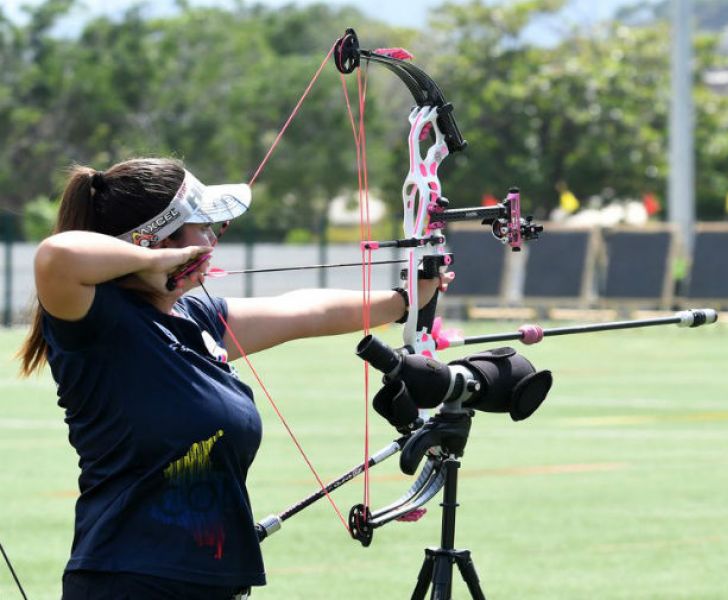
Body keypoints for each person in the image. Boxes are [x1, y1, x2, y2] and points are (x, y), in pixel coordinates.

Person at [15, 158, 445, 599]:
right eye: (201, 226)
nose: (210, 239)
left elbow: (302, 311)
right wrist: (161, 259)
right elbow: (56, 256)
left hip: (209, 583)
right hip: (128, 579)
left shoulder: (193, 316)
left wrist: (406, 300)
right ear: (158, 239)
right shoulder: (97, 324)